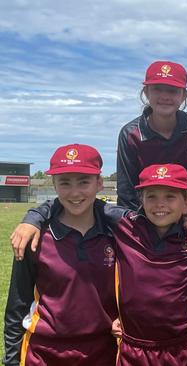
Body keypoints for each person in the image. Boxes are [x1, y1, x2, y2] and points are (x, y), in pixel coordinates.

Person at [14, 163, 187, 366]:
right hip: (131, 348)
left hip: (181, 350)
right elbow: (75, 199)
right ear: (141, 200)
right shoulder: (124, 225)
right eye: (152, 196)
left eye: (170, 196)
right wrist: (34, 217)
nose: (160, 205)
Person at [3, 144, 119, 365]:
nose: (74, 193)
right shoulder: (34, 237)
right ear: (54, 184)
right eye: (65, 182)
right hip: (44, 353)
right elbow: (17, 305)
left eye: (84, 182)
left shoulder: (119, 234)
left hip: (104, 352)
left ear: (99, 183)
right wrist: (11, 360)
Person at [117, 60, 187, 220]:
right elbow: (127, 194)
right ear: (146, 92)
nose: (165, 96)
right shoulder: (130, 134)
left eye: (172, 90)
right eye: (157, 89)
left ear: (184, 96)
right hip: (148, 220)